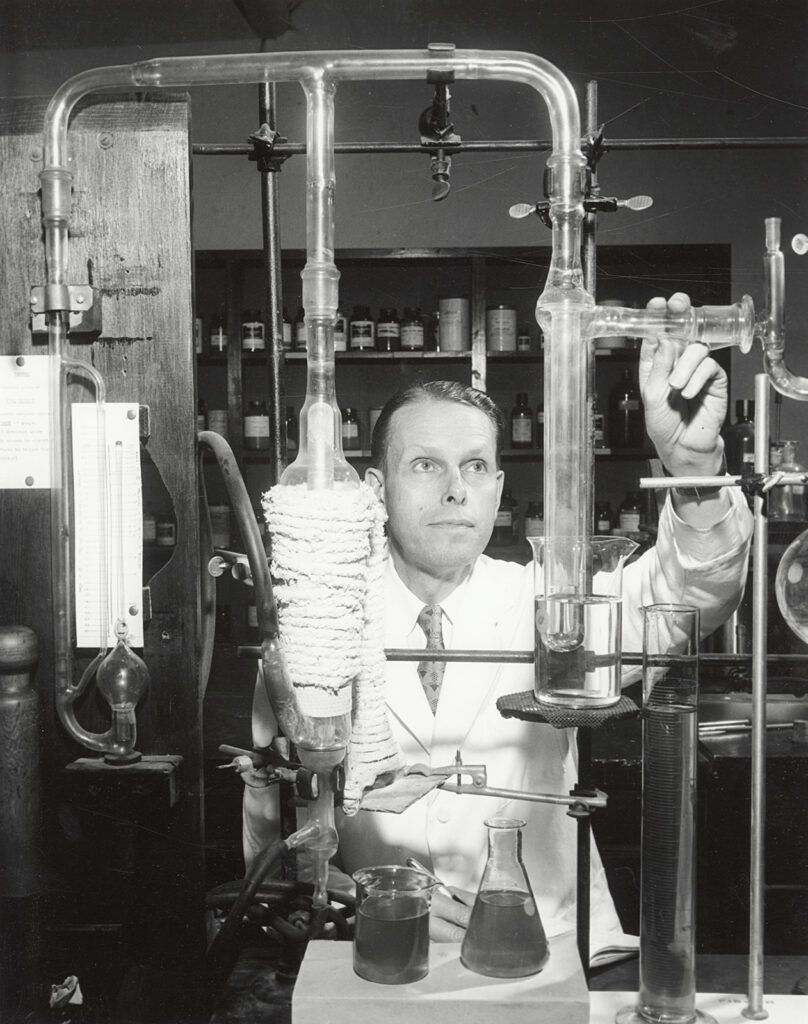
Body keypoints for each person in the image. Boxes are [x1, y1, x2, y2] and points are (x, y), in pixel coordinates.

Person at [245, 293, 753, 952]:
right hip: (375, 954)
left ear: (497, 488)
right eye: (426, 465)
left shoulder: (552, 605)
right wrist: (358, 895)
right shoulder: (317, 627)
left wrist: (693, 471)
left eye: (476, 467)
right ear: (374, 489)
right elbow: (267, 837)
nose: (456, 490)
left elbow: (692, 594)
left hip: (545, 954)